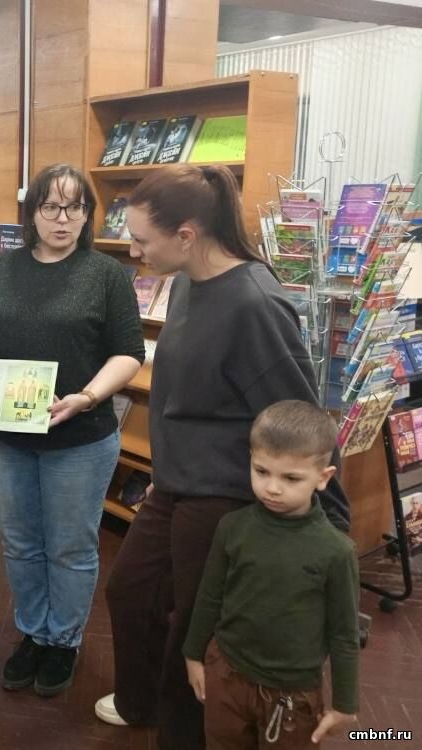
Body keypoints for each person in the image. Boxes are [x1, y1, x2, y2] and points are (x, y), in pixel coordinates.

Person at [95, 164, 350, 748]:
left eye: (142, 239)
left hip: (222, 494)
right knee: (130, 590)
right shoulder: (187, 279)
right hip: (176, 481)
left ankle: (182, 734)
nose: (134, 251)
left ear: (186, 235)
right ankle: (141, 703)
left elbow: (298, 415)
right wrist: (165, 471)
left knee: (193, 625)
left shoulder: (254, 303)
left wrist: (329, 519)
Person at [0, 163, 145, 697]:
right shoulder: (1, 269)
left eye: (75, 207)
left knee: (70, 546)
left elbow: (129, 352)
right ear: (31, 212)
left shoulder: (105, 274)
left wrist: (87, 397)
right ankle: (33, 632)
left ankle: (64, 641)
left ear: (87, 214)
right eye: (51, 206)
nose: (62, 218)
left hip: (81, 438)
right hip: (7, 436)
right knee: (20, 541)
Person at [183, 400, 359, 748]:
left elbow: (344, 633)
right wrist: (193, 655)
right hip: (226, 675)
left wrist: (345, 703)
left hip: (293, 693)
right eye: (261, 471)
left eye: (291, 478)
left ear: (323, 478)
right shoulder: (232, 527)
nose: (272, 488)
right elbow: (210, 595)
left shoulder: (336, 552)